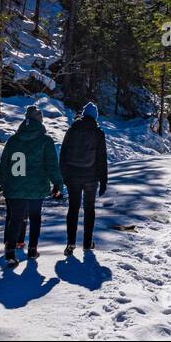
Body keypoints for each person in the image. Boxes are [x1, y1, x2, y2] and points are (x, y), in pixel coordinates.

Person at [0, 104, 62, 266]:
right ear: (40, 122)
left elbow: (4, 164)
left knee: (15, 219)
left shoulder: (13, 140)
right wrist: (57, 183)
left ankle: (10, 252)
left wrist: (5, 183)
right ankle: (32, 249)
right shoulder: (45, 141)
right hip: (36, 187)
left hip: (15, 186)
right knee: (35, 217)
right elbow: (51, 165)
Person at [59, 101, 109, 256]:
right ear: (95, 116)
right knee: (89, 209)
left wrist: (63, 176)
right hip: (91, 177)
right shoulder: (98, 132)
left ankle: (70, 242)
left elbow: (64, 153)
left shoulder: (72, 129)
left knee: (73, 208)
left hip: (73, 176)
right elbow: (101, 158)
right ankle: (87, 243)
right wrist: (103, 180)